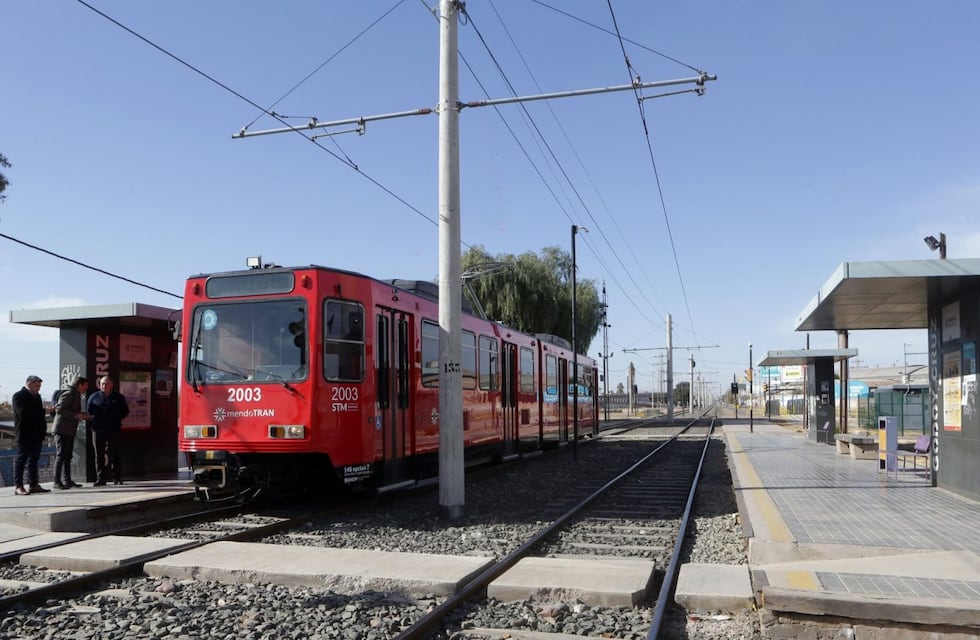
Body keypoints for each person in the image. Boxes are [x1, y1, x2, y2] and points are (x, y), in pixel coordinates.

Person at [11, 375, 51, 495]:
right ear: (29, 384)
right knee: (21, 459)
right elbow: (24, 413)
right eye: (37, 386)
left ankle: (33, 484)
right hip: (24, 433)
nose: (38, 388)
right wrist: (44, 411)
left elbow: (38, 415)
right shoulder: (19, 396)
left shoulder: (37, 396)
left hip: (36, 434)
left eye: (39, 386)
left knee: (34, 459)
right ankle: (18, 486)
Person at [86, 375, 129, 486]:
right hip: (98, 429)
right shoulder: (94, 397)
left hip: (114, 429)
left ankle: (117, 477)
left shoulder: (118, 397)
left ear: (111, 385)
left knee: (115, 453)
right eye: (102, 384)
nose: (104, 386)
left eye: (106, 384)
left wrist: (115, 418)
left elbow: (125, 411)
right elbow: (89, 411)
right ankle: (101, 478)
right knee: (99, 455)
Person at [52, 375, 90, 490]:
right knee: (61, 455)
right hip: (62, 430)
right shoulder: (69, 394)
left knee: (68, 456)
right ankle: (57, 481)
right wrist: (75, 415)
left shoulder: (76, 395)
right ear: (80, 385)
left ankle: (67, 480)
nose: (86, 388)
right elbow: (59, 409)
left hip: (69, 430)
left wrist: (82, 415)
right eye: (86, 386)